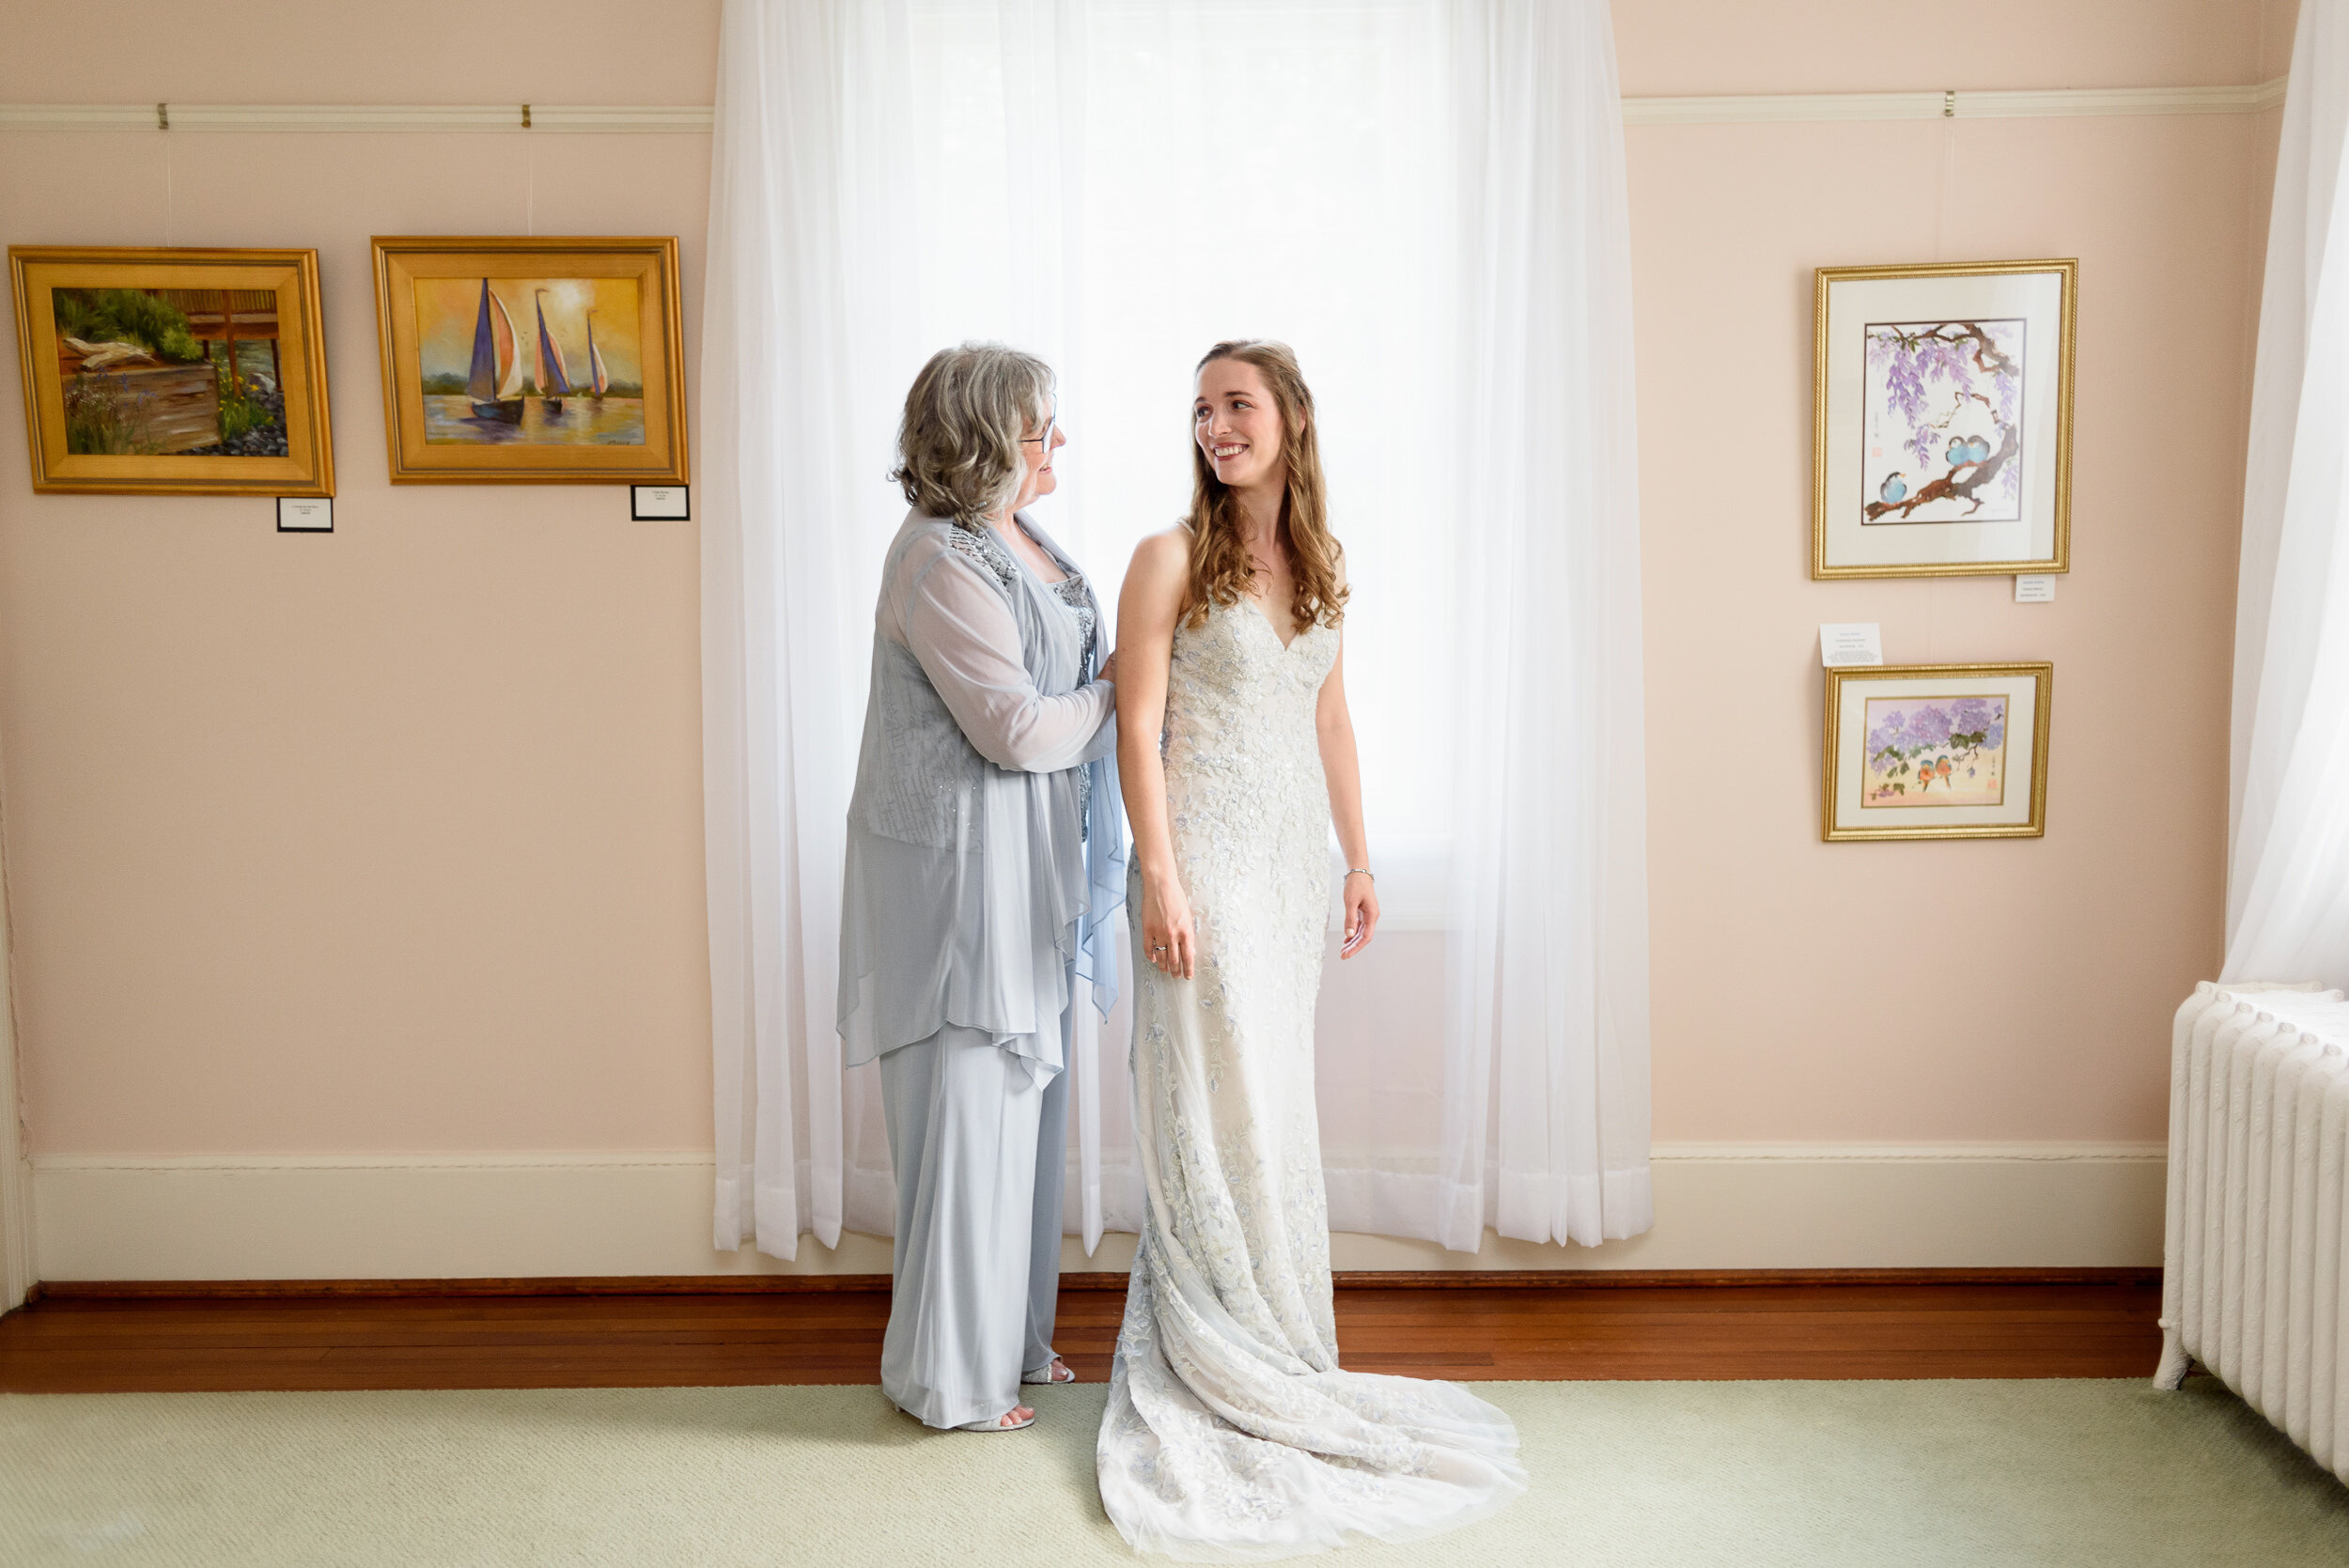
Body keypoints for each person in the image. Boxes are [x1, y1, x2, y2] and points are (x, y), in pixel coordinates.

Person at [1096, 340, 1524, 1554]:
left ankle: (1281, 1335)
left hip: (1289, 873)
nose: (1217, 424)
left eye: (1238, 404)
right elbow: (1137, 726)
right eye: (1202, 408)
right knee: (1214, 1097)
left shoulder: (1324, 562)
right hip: (1206, 863)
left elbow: (1330, 712)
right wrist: (1162, 875)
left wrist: (1362, 857)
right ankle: (1217, 1341)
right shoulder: (1166, 556)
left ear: (1290, 418)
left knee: (1272, 1103)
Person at [838, 342, 1123, 1434]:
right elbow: (1012, 727)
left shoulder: (1019, 535)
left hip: (1025, 864)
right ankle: (946, 1380)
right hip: (958, 876)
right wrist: (1119, 688)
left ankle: (1007, 1341)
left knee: (1021, 1116)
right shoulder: (936, 560)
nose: (1059, 444)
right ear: (988, 435)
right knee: (966, 1120)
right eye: (1041, 424)